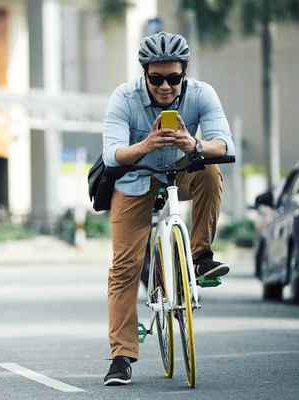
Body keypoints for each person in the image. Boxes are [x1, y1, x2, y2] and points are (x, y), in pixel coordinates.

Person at [101, 31, 236, 386]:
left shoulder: (202, 94)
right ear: (144, 74)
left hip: (183, 172)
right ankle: (121, 356)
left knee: (210, 169)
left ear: (184, 75)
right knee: (124, 267)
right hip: (135, 180)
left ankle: (200, 256)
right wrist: (145, 144)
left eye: (173, 78)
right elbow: (111, 153)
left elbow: (224, 143)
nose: (165, 86)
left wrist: (195, 144)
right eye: (156, 78)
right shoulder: (124, 98)